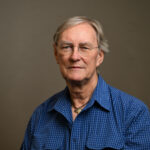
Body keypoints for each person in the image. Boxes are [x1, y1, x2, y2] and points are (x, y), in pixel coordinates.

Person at [20, 16, 150, 150]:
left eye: (84, 47)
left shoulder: (133, 114)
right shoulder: (40, 115)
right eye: (66, 47)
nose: (75, 56)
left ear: (99, 56)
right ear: (56, 54)